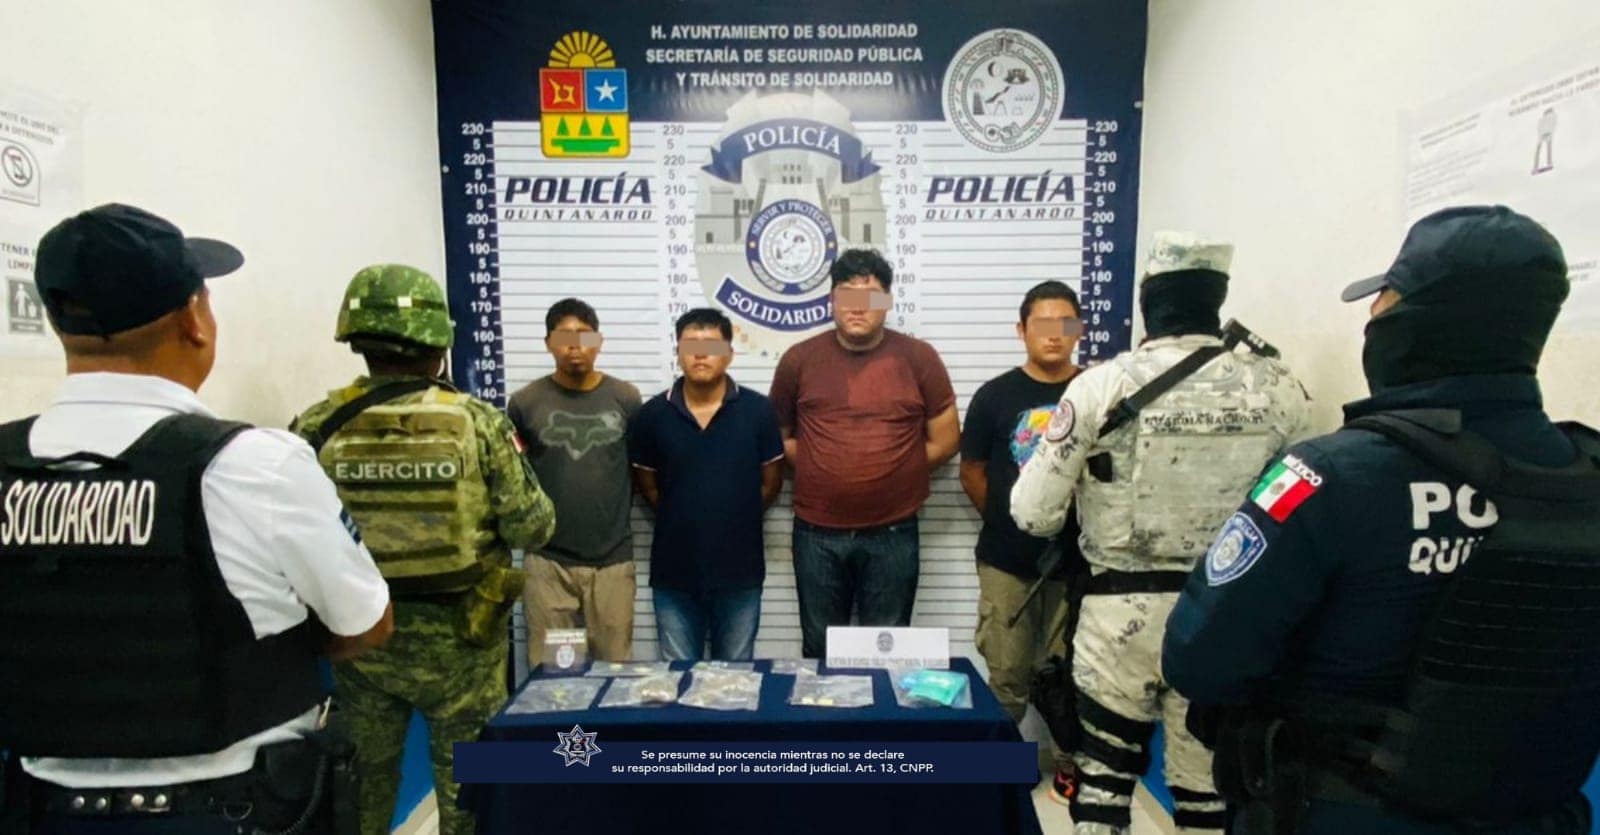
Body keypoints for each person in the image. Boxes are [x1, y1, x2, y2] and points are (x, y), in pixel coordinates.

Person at [1164, 206, 1599, 835]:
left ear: (1416, 321)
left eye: (1384, 300)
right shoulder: (1585, 485)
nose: (1372, 316)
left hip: (1344, 813)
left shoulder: (1328, 477)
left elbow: (1201, 659)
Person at [0, 203, 394, 835]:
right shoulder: (255, 465)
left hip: (40, 812)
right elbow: (365, 623)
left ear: (58, 322)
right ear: (194, 320)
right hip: (235, 809)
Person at [1011, 232, 1312, 834]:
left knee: (1103, 785)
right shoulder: (1280, 387)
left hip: (1117, 620)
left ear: (1149, 301)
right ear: (1217, 297)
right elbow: (1296, 508)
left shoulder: (1102, 386)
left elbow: (1033, 514)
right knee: (1206, 795)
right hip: (1223, 615)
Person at [291, 264, 556, 835]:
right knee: (476, 789)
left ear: (357, 341)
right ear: (439, 346)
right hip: (464, 644)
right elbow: (533, 527)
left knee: (363, 789)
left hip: (362, 642)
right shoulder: (478, 422)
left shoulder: (316, 425)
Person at [768, 248, 959, 658]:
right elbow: (777, 439)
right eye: (847, 296)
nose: (857, 308)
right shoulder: (798, 360)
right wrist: (821, 464)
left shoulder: (919, 358)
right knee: (820, 650)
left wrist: (898, 468)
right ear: (831, 301)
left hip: (893, 532)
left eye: (869, 297)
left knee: (888, 651)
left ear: (886, 301)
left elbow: (946, 439)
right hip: (816, 533)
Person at [959, 280, 1091, 803]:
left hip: (1080, 562)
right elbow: (972, 471)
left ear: (1079, 330)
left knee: (1069, 673)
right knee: (1007, 674)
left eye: (1065, 324)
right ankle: (1001, 770)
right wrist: (1007, 521)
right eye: (1042, 324)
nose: (1054, 335)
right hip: (1007, 562)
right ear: (1021, 330)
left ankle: (1069, 765)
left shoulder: (1098, 391)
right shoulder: (994, 396)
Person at [629, 308, 784, 661]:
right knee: (678, 677)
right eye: (690, 346)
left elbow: (770, 484)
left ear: (729, 353)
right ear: (678, 352)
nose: (700, 355)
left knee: (737, 679)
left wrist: (733, 515)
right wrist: (684, 514)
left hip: (740, 572)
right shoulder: (652, 415)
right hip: (674, 574)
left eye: (711, 345)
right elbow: (648, 487)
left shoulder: (758, 411)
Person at [508, 298, 641, 663]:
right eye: (564, 336)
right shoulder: (524, 403)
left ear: (598, 342)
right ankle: (562, 712)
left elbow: (641, 468)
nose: (575, 346)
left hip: (612, 561)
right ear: (548, 343)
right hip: (547, 562)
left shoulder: (626, 399)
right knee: (553, 676)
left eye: (584, 335)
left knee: (615, 672)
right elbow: (515, 477)